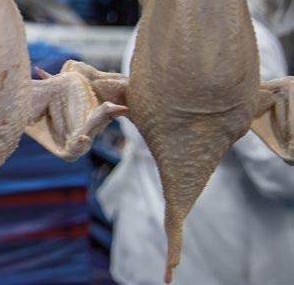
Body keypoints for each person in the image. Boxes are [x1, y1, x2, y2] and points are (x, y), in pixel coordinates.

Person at [98, 15, 294, 284]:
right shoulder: (245, 39)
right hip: (214, 241)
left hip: (148, 231)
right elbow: (277, 170)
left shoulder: (154, 23)